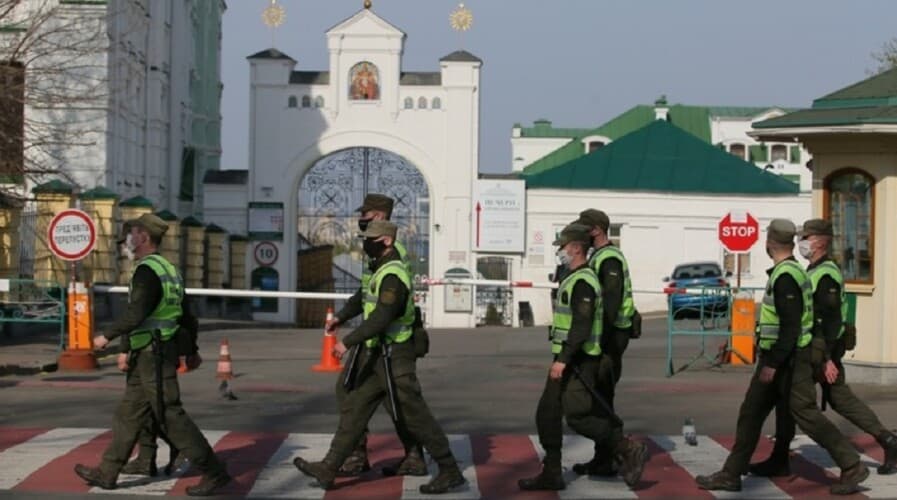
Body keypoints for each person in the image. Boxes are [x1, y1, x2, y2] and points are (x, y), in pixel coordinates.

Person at [696, 219, 868, 495]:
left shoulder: (786, 276)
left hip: (788, 359)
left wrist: (773, 364)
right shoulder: (793, 271)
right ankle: (733, 472)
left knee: (806, 415)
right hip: (785, 356)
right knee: (752, 414)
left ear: (769, 243)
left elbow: (791, 326)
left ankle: (851, 464)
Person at [293, 221, 465, 494]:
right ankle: (329, 466)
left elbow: (383, 317)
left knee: (415, 416)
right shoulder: (380, 269)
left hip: (396, 356)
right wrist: (341, 317)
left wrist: (347, 343)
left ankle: (450, 470)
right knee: (355, 407)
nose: (365, 243)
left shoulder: (394, 275)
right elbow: (364, 299)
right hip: (377, 355)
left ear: (386, 241)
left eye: (370, 238)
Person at [74, 213, 229, 497]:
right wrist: (191, 350)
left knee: (171, 415)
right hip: (154, 350)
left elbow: (137, 312)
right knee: (129, 413)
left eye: (132, 233)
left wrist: (107, 336)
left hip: (152, 353)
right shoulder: (168, 269)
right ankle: (108, 472)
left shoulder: (146, 271)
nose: (128, 239)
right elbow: (186, 314)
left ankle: (214, 472)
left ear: (144, 236)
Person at [749, 218, 897, 478]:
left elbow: (829, 319)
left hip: (822, 352)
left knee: (834, 401)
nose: (800, 242)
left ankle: (884, 443)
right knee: (791, 402)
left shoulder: (826, 273)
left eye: (805, 238)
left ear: (819, 241)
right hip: (813, 351)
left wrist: (828, 358)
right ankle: (780, 456)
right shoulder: (813, 270)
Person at [517, 223, 647, 491]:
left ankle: (626, 446)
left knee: (577, 415)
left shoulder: (584, 281)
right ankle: (552, 472)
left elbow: (581, 325)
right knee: (548, 414)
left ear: (576, 248)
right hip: (570, 358)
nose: (560, 252)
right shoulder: (573, 276)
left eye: (563, 247)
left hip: (580, 360)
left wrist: (563, 359)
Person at [324, 193, 426, 478]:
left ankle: (411, 455)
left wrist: (350, 339)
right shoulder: (377, 254)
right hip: (373, 337)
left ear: (379, 217)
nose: (362, 220)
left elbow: (387, 308)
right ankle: (367, 454)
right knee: (357, 392)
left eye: (366, 215)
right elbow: (365, 292)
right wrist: (343, 316)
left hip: (389, 340)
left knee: (396, 400)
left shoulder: (393, 254)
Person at [571, 209, 637, 477]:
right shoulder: (599, 256)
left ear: (597, 229)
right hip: (608, 337)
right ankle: (604, 458)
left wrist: (599, 343)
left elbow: (610, 305)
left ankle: (619, 452)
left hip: (612, 337)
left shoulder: (609, 258)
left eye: (585, 228)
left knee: (602, 397)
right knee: (599, 398)